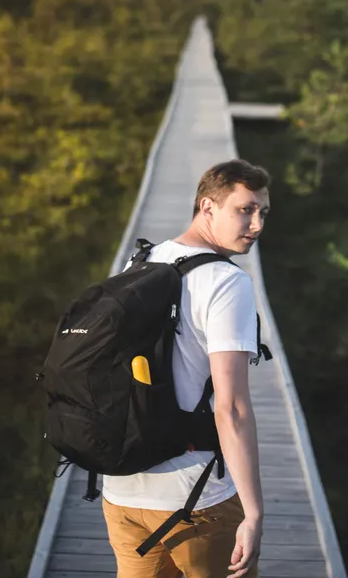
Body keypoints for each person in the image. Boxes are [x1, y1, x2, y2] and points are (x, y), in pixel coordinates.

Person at [100, 158, 271, 578]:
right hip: (197, 498)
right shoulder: (228, 283)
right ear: (207, 207)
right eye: (245, 209)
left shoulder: (140, 262)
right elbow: (230, 408)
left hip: (123, 490)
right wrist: (253, 513)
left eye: (263, 212)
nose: (258, 224)